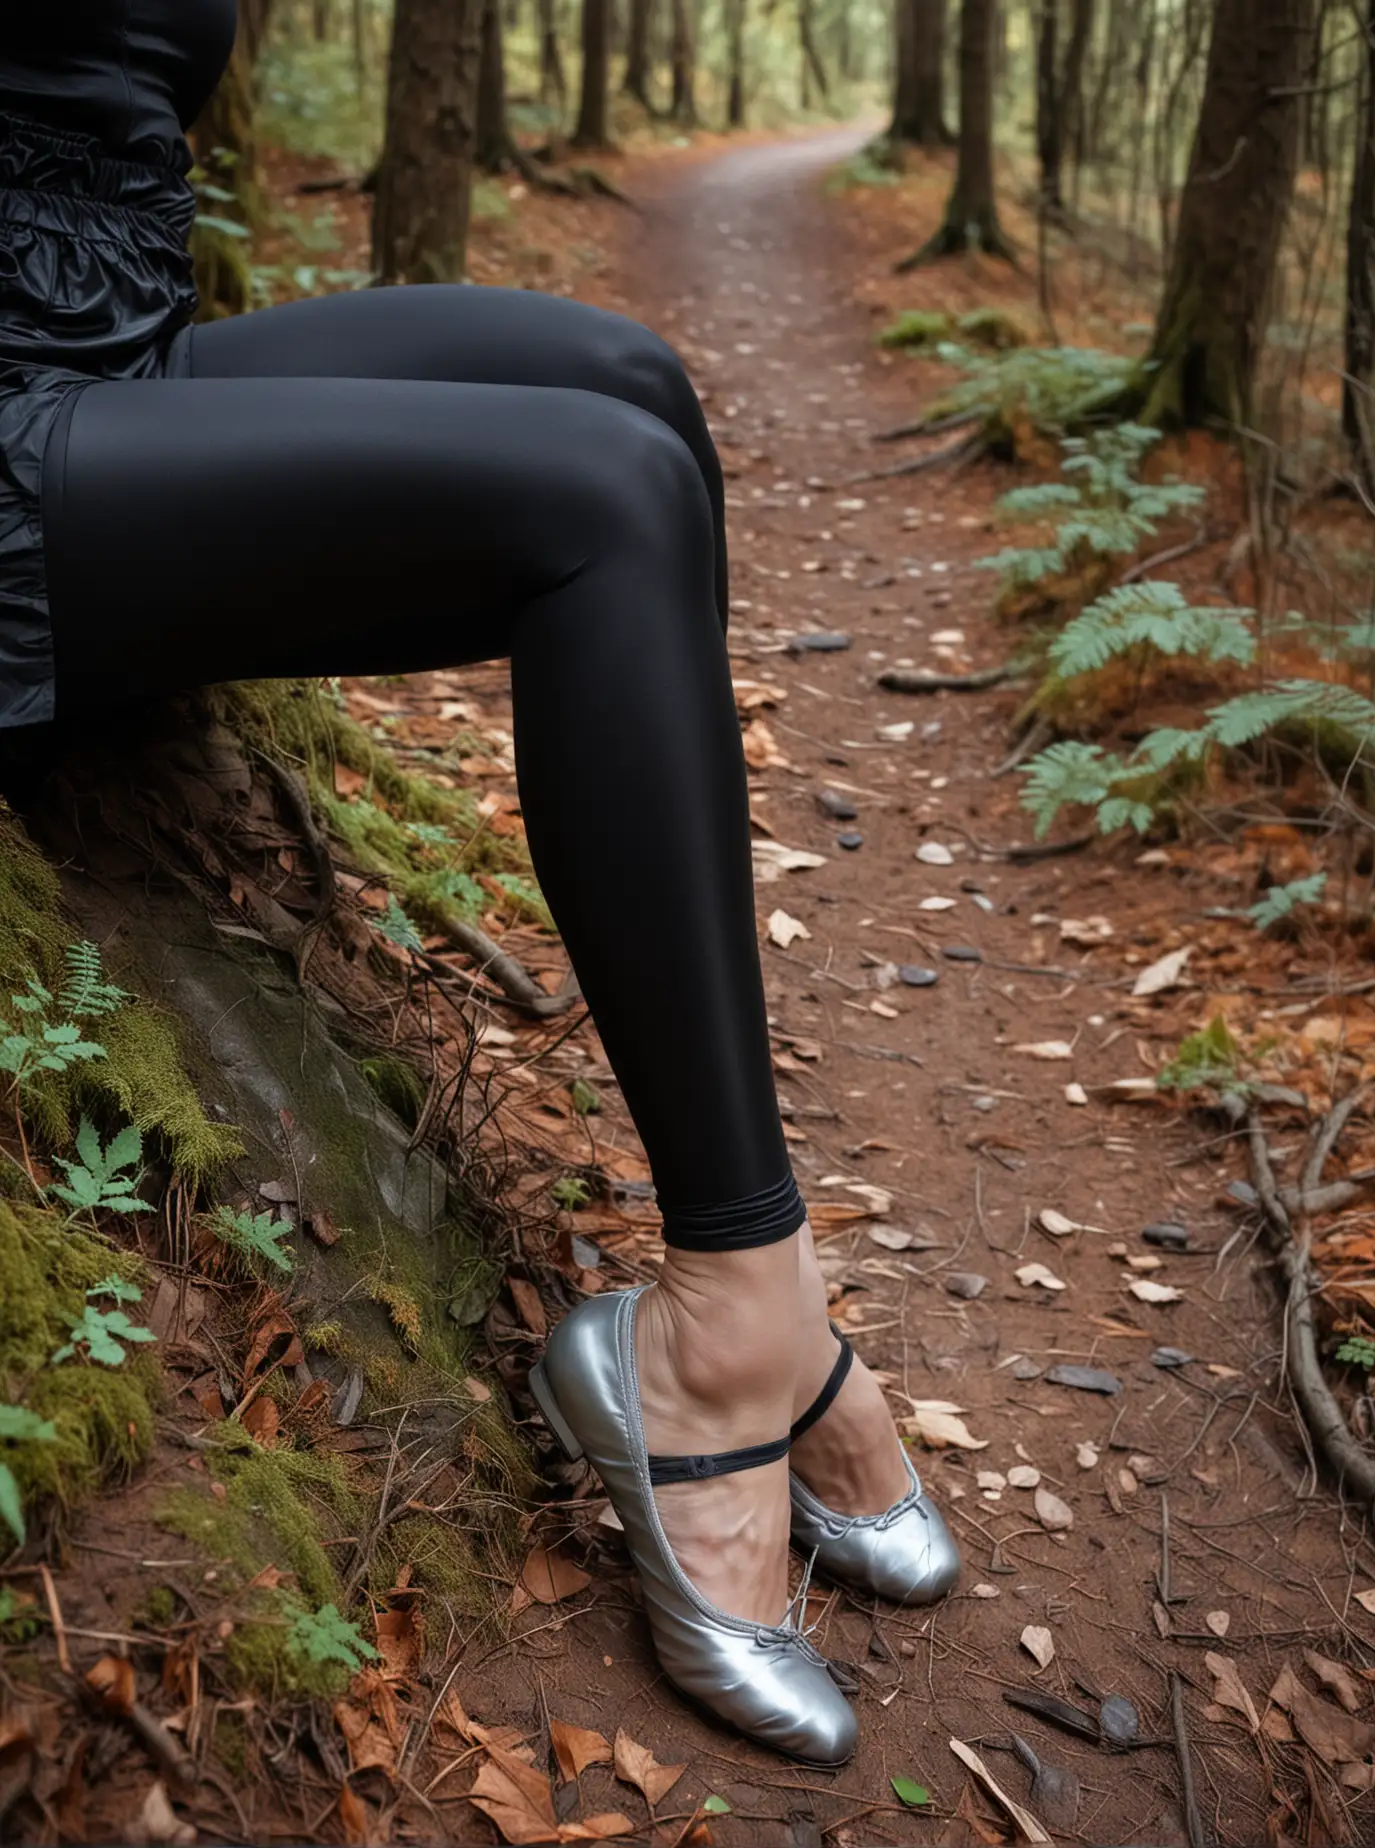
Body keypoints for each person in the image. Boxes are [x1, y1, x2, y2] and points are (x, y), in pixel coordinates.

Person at [0, 2, 958, 1763]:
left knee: (631, 393)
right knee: (598, 496)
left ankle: (765, 1294)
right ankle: (732, 1317)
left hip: (99, 351)